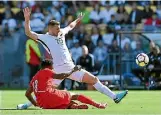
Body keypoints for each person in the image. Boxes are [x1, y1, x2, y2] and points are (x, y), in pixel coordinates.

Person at [19, 7, 128, 109]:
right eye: (57, 29)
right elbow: (28, 32)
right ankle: (26, 105)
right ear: (50, 28)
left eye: (59, 28)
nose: (59, 30)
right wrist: (27, 19)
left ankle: (115, 97)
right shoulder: (44, 38)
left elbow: (70, 26)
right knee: (44, 90)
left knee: (94, 79)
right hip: (58, 69)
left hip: (71, 67)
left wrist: (78, 19)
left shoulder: (61, 33)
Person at [17, 59, 107, 109]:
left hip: (43, 104)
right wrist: (73, 70)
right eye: (52, 67)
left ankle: (72, 106)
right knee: (74, 95)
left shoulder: (35, 77)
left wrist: (34, 103)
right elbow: (60, 76)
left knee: (63, 100)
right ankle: (98, 105)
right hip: (50, 96)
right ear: (48, 66)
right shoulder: (46, 70)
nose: (52, 69)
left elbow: (27, 93)